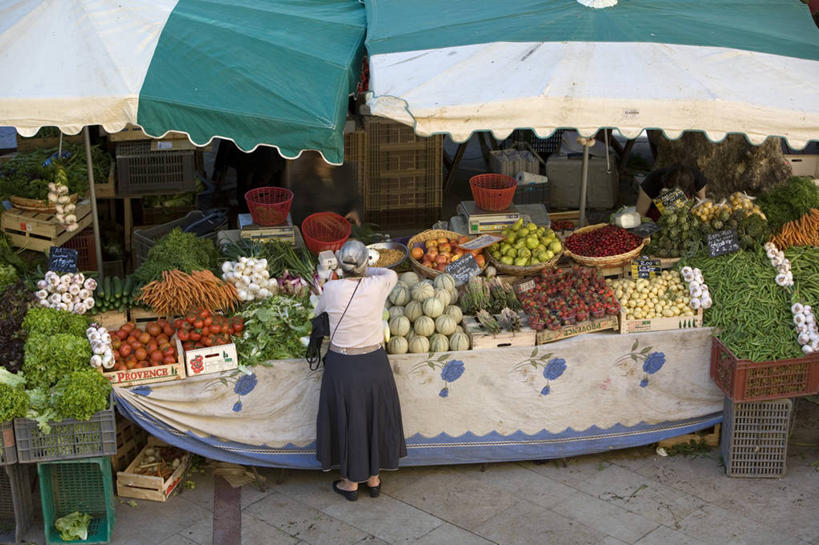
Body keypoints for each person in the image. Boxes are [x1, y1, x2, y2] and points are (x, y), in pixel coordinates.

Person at [314, 240, 406, 501]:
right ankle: (374, 479)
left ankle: (350, 482)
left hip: (343, 365)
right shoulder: (378, 284)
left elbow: (319, 313)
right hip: (375, 363)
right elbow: (391, 272)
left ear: (340, 265)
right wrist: (367, 269)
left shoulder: (330, 289)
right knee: (374, 417)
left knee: (348, 421)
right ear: (365, 265)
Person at [285, 151, 362, 226]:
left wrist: (355, 211)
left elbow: (355, 198)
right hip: (313, 230)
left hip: (342, 227)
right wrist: (315, 218)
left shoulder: (345, 169)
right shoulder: (302, 176)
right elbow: (296, 212)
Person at [636, 164, 708, 221]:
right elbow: (640, 214)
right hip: (656, 214)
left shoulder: (697, 178)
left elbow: (702, 204)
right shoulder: (652, 181)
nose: (677, 196)